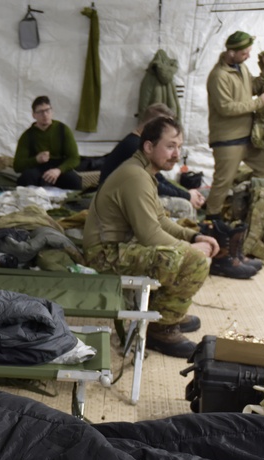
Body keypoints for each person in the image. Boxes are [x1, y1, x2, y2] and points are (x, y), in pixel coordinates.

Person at [83, 116, 219, 359]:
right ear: (148, 147)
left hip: (120, 248)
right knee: (194, 262)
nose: (176, 154)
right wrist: (190, 248)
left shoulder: (144, 172)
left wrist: (195, 235)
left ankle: (165, 311)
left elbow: (161, 220)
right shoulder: (135, 176)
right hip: (106, 255)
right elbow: (150, 234)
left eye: (179, 146)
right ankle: (161, 328)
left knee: (190, 254)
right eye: (170, 146)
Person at [204, 31, 264, 217]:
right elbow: (226, 108)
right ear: (231, 52)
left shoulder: (241, 68)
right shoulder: (218, 76)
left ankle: (247, 203)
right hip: (227, 139)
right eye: (245, 53)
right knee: (223, 181)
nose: (248, 56)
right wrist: (259, 102)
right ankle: (211, 219)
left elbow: (251, 87)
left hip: (247, 136)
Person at [99, 103, 206, 219]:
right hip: (116, 203)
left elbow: (158, 178)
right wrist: (187, 196)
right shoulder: (135, 147)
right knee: (184, 205)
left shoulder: (138, 142)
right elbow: (155, 185)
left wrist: (187, 193)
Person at [13, 96, 83, 190]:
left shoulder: (62, 130)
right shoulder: (27, 136)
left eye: (47, 110)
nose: (45, 115)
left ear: (52, 111)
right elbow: (17, 165)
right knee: (26, 179)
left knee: (74, 181)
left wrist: (59, 170)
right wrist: (36, 160)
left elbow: (74, 158)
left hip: (59, 167)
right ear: (34, 115)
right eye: (40, 112)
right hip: (37, 168)